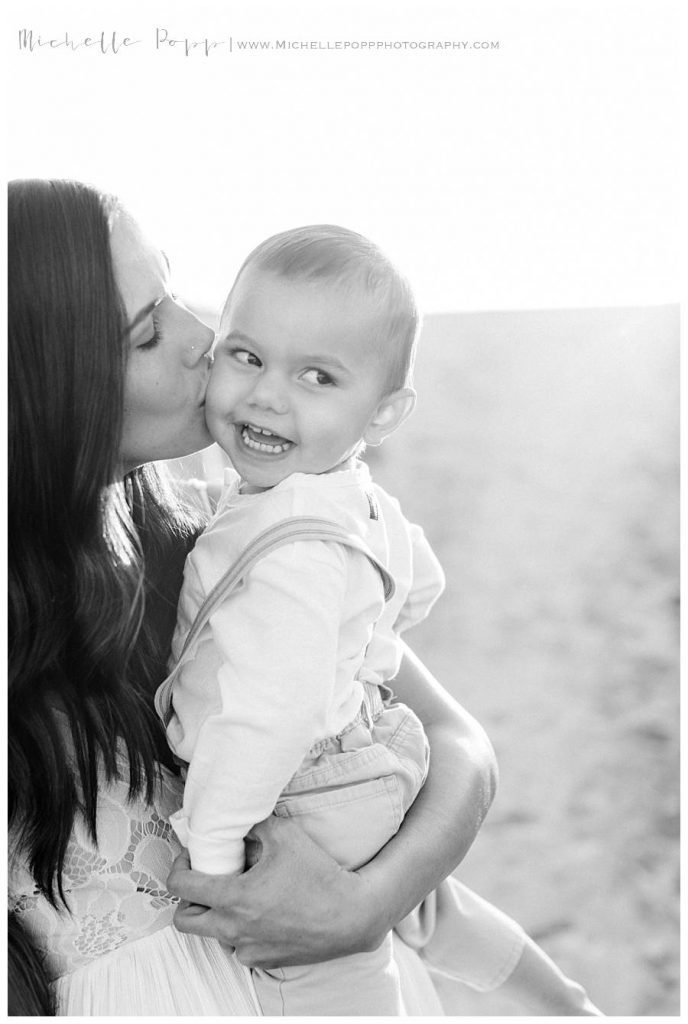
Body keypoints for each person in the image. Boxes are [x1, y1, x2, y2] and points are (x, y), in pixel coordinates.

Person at [7, 177, 498, 1016]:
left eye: (171, 288)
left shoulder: (217, 539)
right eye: (147, 331)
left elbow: (461, 744)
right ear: (51, 393)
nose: (207, 337)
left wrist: (368, 903)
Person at [157, 226, 602, 1016]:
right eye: (247, 355)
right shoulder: (350, 495)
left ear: (386, 411)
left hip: (294, 793)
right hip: (366, 764)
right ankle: (561, 1000)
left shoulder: (290, 553)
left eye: (317, 376)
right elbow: (419, 577)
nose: (266, 395)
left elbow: (269, 715)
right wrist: (366, 641)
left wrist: (216, 850)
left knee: (336, 983)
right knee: (429, 906)